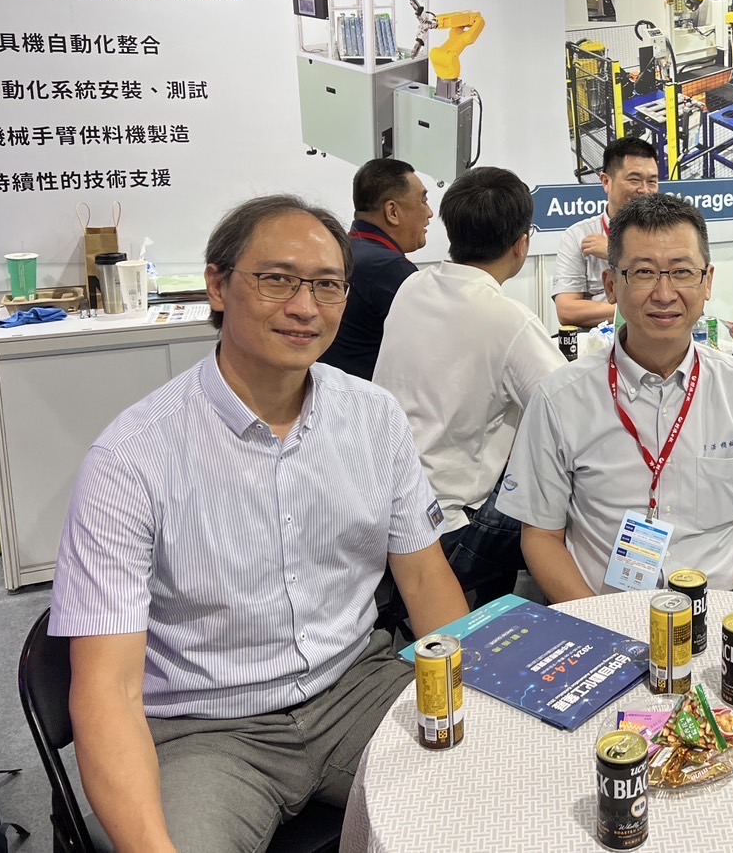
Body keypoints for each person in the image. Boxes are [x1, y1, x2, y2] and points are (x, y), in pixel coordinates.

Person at [49, 195, 469, 853]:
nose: (305, 307)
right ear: (218, 286)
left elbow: (423, 578)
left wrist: (481, 705)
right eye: (277, 279)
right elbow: (109, 689)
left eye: (327, 285)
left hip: (355, 689)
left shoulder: (373, 416)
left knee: (503, 788)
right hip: (207, 731)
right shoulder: (131, 459)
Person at [501, 193, 733, 601]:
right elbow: (541, 537)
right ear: (611, 285)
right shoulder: (559, 398)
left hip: (720, 612)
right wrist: (600, 626)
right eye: (644, 272)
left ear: (707, 282)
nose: (664, 294)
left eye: (682, 272)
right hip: (606, 612)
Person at [373, 167, 565, 603]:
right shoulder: (508, 320)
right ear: (522, 244)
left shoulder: (412, 286)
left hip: (387, 510)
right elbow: (570, 414)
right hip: (452, 530)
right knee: (569, 512)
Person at [318, 158, 433, 379]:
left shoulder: (338, 250)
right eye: (423, 200)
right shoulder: (391, 270)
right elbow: (430, 355)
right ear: (392, 212)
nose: (430, 213)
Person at [552, 137, 660, 328]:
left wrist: (615, 253)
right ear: (606, 182)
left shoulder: (668, 234)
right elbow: (567, 310)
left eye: (652, 181)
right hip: (599, 341)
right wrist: (638, 311)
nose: (644, 190)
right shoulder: (578, 235)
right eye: (634, 180)